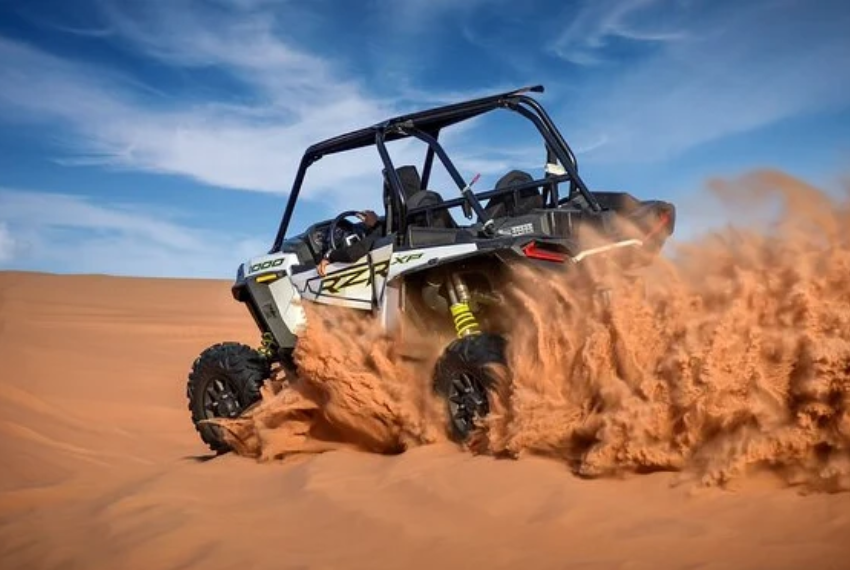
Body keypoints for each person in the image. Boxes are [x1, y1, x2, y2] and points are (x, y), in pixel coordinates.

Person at [317, 210, 381, 276]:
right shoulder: (383, 228)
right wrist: (375, 224)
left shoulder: (382, 231)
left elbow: (352, 253)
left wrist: (330, 256)